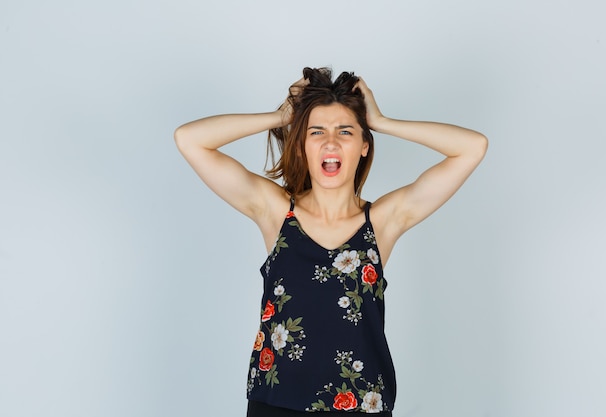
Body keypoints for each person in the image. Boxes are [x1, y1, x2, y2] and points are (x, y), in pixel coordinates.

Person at [174, 67, 487, 416]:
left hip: (361, 407)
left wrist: (382, 122)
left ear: (364, 145)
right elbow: (190, 139)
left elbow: (473, 147)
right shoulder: (276, 212)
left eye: (346, 131)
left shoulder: (382, 222)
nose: (331, 142)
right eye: (316, 131)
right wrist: (282, 116)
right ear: (302, 145)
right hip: (275, 404)